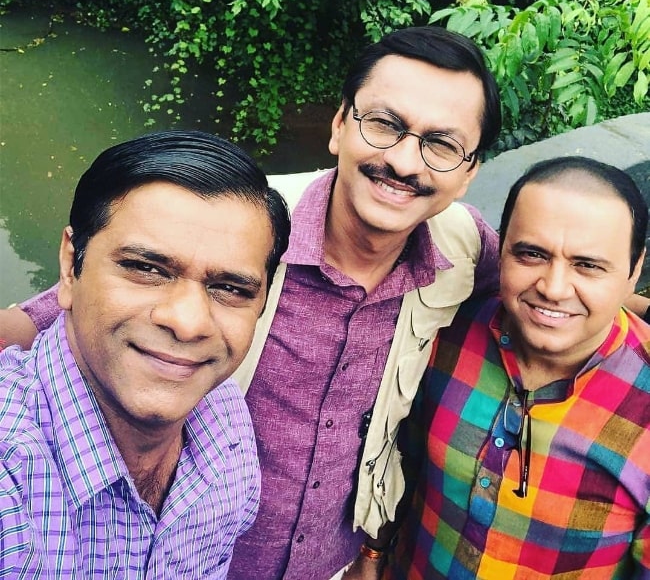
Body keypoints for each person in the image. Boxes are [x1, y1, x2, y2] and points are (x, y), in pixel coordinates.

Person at [1, 30, 647, 580]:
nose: (402, 161)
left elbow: (549, 285)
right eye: (384, 124)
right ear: (340, 125)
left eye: (441, 144)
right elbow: (67, 306)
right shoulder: (241, 228)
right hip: (199, 555)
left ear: (469, 171)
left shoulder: (466, 248)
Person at [0, 130, 291, 578]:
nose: (189, 322)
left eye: (230, 288)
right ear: (69, 266)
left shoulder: (226, 420)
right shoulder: (12, 472)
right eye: (145, 268)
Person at [382, 157, 650, 579]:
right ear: (501, 248)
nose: (553, 288)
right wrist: (373, 555)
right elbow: (397, 464)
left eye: (588, 265)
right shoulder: (446, 330)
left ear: (634, 271)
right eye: (531, 254)